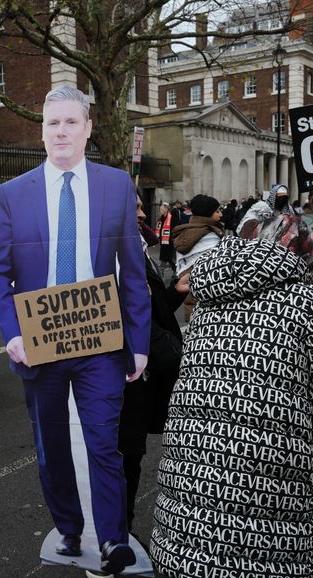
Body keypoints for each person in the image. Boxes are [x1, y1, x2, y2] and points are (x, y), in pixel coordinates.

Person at [151, 217, 313, 578]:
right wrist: (304, 453)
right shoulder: (310, 303)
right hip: (274, 484)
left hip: (195, 475)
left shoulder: (208, 301)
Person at [0, 85, 150, 578]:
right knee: (52, 444)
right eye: (52, 123)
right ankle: (69, 526)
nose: (61, 131)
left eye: (70, 123)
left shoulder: (116, 184)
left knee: (103, 442)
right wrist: (12, 334)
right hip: (39, 341)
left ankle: (112, 538)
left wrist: (138, 341)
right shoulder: (13, 194)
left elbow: (133, 271)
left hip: (100, 341)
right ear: (42, 131)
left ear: (87, 129)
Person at [119, 196, 185, 535]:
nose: (144, 214)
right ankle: (111, 539)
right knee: (117, 458)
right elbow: (126, 321)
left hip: (135, 379)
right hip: (113, 380)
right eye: (136, 208)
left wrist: (175, 290)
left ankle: (120, 532)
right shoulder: (110, 254)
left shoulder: (135, 248)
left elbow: (148, 307)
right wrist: (176, 356)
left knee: (129, 456)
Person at [171, 194, 224, 321]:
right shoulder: (211, 236)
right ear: (207, 214)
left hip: (190, 295)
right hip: (210, 301)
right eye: (217, 211)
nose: (221, 214)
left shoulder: (186, 232)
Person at [156, 201, 175, 272]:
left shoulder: (172, 218)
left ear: (166, 209)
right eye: (160, 209)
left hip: (169, 242)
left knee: (168, 258)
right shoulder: (160, 218)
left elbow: (174, 228)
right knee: (166, 259)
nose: (160, 211)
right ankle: (174, 271)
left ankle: (175, 272)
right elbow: (158, 228)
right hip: (163, 242)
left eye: (162, 209)